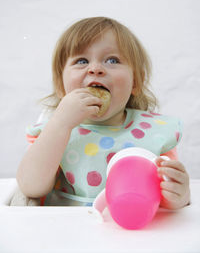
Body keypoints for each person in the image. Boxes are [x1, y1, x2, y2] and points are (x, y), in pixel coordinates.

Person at [16, 17, 190, 209]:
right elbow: (31, 187)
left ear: (136, 82)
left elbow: (165, 196)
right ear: (60, 85)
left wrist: (178, 197)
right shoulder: (55, 130)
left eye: (112, 60)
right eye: (81, 61)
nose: (95, 69)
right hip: (66, 229)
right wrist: (60, 124)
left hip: (131, 230)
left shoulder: (155, 134)